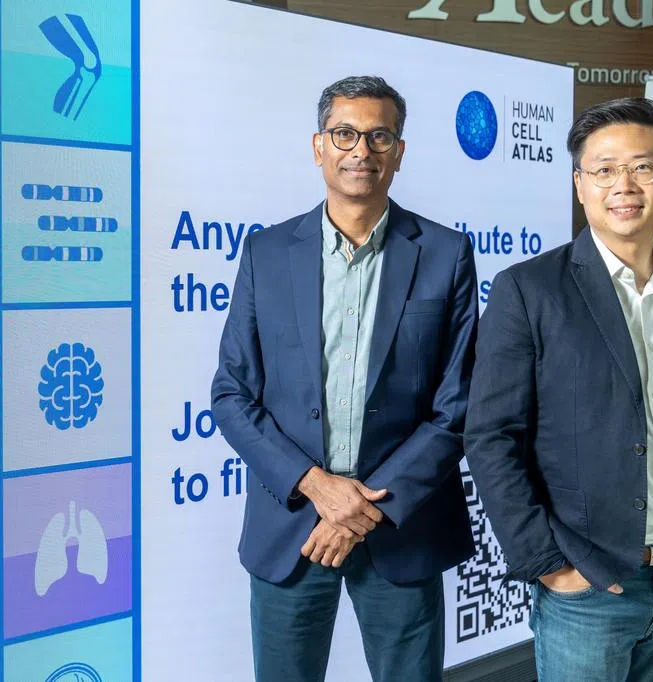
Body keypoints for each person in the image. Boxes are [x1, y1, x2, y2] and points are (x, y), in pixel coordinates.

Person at [464, 97, 653, 681]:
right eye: (604, 169)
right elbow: (491, 437)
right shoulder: (529, 290)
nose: (625, 185)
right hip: (588, 587)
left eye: (643, 166)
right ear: (580, 184)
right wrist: (547, 562)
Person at [211, 75, 478, 682]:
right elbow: (231, 394)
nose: (362, 150)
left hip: (402, 527)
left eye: (379, 136)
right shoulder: (266, 253)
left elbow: (458, 403)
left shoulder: (446, 253)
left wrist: (362, 508)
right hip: (293, 527)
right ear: (319, 146)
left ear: (399, 152)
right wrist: (317, 487)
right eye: (344, 134)